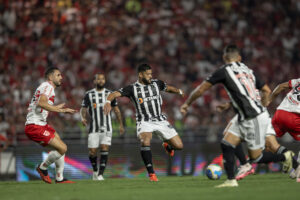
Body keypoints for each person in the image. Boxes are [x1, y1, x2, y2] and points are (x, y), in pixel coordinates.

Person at [180, 44, 294, 187]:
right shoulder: (248, 70)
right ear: (239, 58)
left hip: (253, 116)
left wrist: (187, 103)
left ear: (224, 57)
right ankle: (231, 180)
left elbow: (201, 89)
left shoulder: (224, 71)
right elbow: (265, 90)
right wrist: (260, 105)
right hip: (252, 114)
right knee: (227, 142)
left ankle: (285, 157)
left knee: (257, 156)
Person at [103, 63, 184, 182]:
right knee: (145, 141)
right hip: (144, 121)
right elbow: (113, 94)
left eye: (151, 74)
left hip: (160, 120)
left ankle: (167, 144)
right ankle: (151, 174)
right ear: (140, 75)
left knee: (179, 146)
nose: (150, 76)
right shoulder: (132, 88)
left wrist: (179, 91)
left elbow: (168, 88)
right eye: (148, 74)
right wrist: (107, 102)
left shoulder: (157, 83)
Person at [24, 67, 77, 184]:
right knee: (62, 148)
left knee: (60, 146)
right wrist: (61, 111)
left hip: (41, 124)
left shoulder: (45, 87)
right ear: (50, 77)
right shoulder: (48, 86)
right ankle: (42, 168)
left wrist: (57, 107)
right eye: (58, 75)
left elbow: (40, 104)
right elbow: (41, 103)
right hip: (35, 125)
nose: (61, 77)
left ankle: (59, 178)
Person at [80, 73, 125, 181]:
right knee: (92, 151)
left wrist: (121, 125)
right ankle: (95, 170)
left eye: (102, 79)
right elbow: (83, 108)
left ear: (104, 81)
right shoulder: (89, 94)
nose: (100, 81)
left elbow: (116, 110)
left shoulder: (110, 94)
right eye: (98, 79)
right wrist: (83, 117)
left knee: (105, 148)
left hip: (107, 128)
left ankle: (100, 174)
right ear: (94, 81)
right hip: (94, 128)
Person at [268, 79, 300, 181]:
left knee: (268, 142)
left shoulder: (298, 81)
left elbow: (281, 86)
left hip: (279, 114)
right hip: (294, 117)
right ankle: (298, 170)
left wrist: (270, 99)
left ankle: (287, 160)